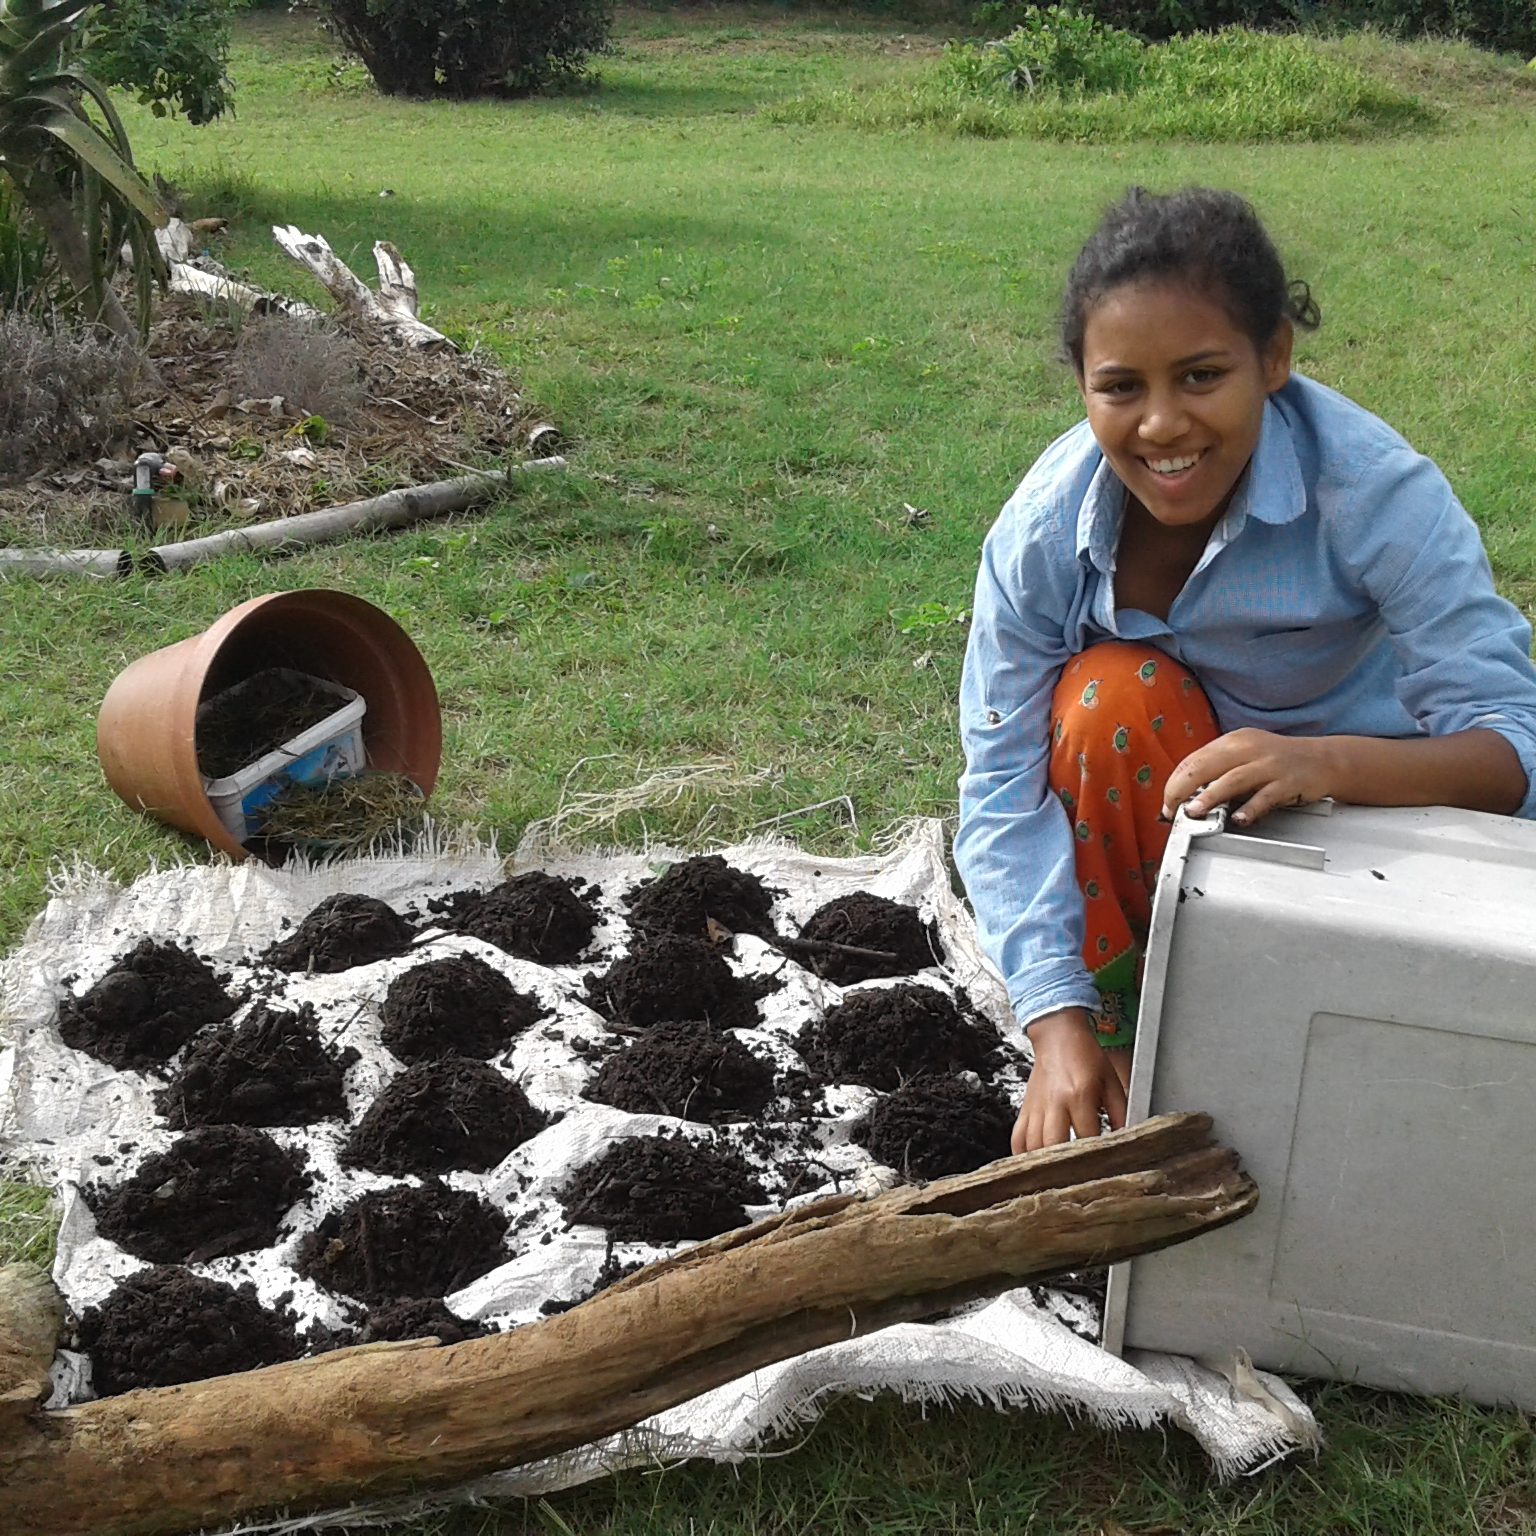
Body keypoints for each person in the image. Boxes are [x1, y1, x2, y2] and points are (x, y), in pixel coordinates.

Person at [954, 186, 1536, 1154]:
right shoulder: (1045, 533)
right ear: (1081, 386)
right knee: (1109, 705)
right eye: (1121, 388)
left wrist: (1324, 767)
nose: (1163, 425)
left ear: (1274, 359)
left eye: (1201, 376)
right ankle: (1119, 1045)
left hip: (1379, 843)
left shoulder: (1375, 493)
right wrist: (1054, 1022)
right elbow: (999, 787)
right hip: (1179, 833)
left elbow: (1516, 746)